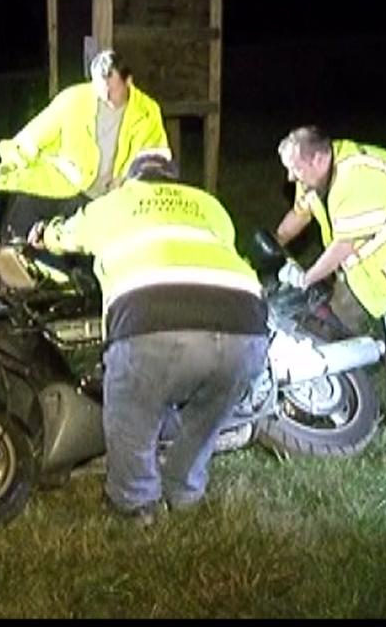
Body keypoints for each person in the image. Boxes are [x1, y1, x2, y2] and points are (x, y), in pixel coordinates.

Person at [30, 153, 268, 525]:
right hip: (246, 326)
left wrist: (43, 233)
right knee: (205, 420)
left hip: (154, 323)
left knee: (131, 415)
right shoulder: (209, 205)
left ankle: (135, 503)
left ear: (130, 181)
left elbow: (65, 236)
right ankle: (185, 493)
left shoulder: (114, 204)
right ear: (173, 180)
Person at [273, 125, 386, 454]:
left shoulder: (354, 180)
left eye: (295, 168)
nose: (290, 177)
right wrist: (271, 244)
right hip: (370, 258)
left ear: (320, 158)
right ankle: (327, 383)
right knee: (336, 315)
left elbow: (343, 246)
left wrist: (308, 276)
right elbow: (301, 212)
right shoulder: (313, 175)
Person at [0, 49, 172, 241]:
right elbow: (34, 136)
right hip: (65, 187)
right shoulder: (75, 99)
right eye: (101, 89)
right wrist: (10, 163)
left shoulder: (148, 112)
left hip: (110, 203)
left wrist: (127, 182)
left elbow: (157, 162)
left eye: (112, 89)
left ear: (128, 81)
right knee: (18, 211)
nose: (106, 96)